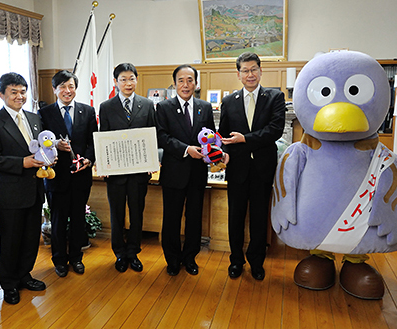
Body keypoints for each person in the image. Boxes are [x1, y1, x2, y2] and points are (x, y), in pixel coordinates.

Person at [218, 52, 286, 281]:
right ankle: (236, 261)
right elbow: (224, 137)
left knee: (259, 219)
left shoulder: (275, 97)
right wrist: (224, 154)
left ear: (260, 71)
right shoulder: (228, 102)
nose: (250, 74)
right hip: (236, 170)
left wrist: (245, 139)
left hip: (262, 170)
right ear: (238, 74)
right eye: (245, 70)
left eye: (254, 69)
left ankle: (257, 262)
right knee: (235, 218)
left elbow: (275, 130)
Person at [0, 72, 46, 305]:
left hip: (36, 187)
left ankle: (24, 274)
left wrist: (49, 155)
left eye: (23, 91)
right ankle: (8, 284)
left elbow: (41, 147)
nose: (20, 96)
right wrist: (22, 162)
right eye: (14, 92)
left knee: (30, 237)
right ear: (1, 94)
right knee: (10, 240)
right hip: (10, 190)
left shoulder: (34, 118)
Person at [156, 64, 217, 276]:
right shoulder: (163, 108)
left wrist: (214, 153)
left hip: (197, 173)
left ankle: (190, 258)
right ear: (174, 83)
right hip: (174, 173)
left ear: (196, 83)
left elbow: (211, 136)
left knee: (194, 218)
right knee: (171, 219)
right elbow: (161, 137)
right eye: (181, 80)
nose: (185, 84)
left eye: (190, 80)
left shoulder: (205, 107)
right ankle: (172, 260)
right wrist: (185, 149)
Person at [39, 70, 97, 278]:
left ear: (75, 88)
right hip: (57, 177)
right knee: (58, 220)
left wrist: (89, 159)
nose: (67, 90)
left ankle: (76, 258)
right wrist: (55, 145)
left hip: (81, 176)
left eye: (70, 86)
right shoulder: (45, 113)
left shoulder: (88, 111)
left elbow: (93, 141)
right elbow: (40, 142)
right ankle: (59, 260)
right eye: (62, 86)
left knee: (78, 219)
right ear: (55, 90)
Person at [99, 63, 156, 273]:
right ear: (116, 82)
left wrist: (151, 160)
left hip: (139, 172)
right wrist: (103, 164)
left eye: (131, 78)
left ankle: (133, 252)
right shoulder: (106, 106)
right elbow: (103, 137)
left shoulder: (148, 105)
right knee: (116, 214)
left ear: (137, 80)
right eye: (123, 79)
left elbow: (152, 135)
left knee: (137, 213)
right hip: (115, 173)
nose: (128, 83)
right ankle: (120, 254)